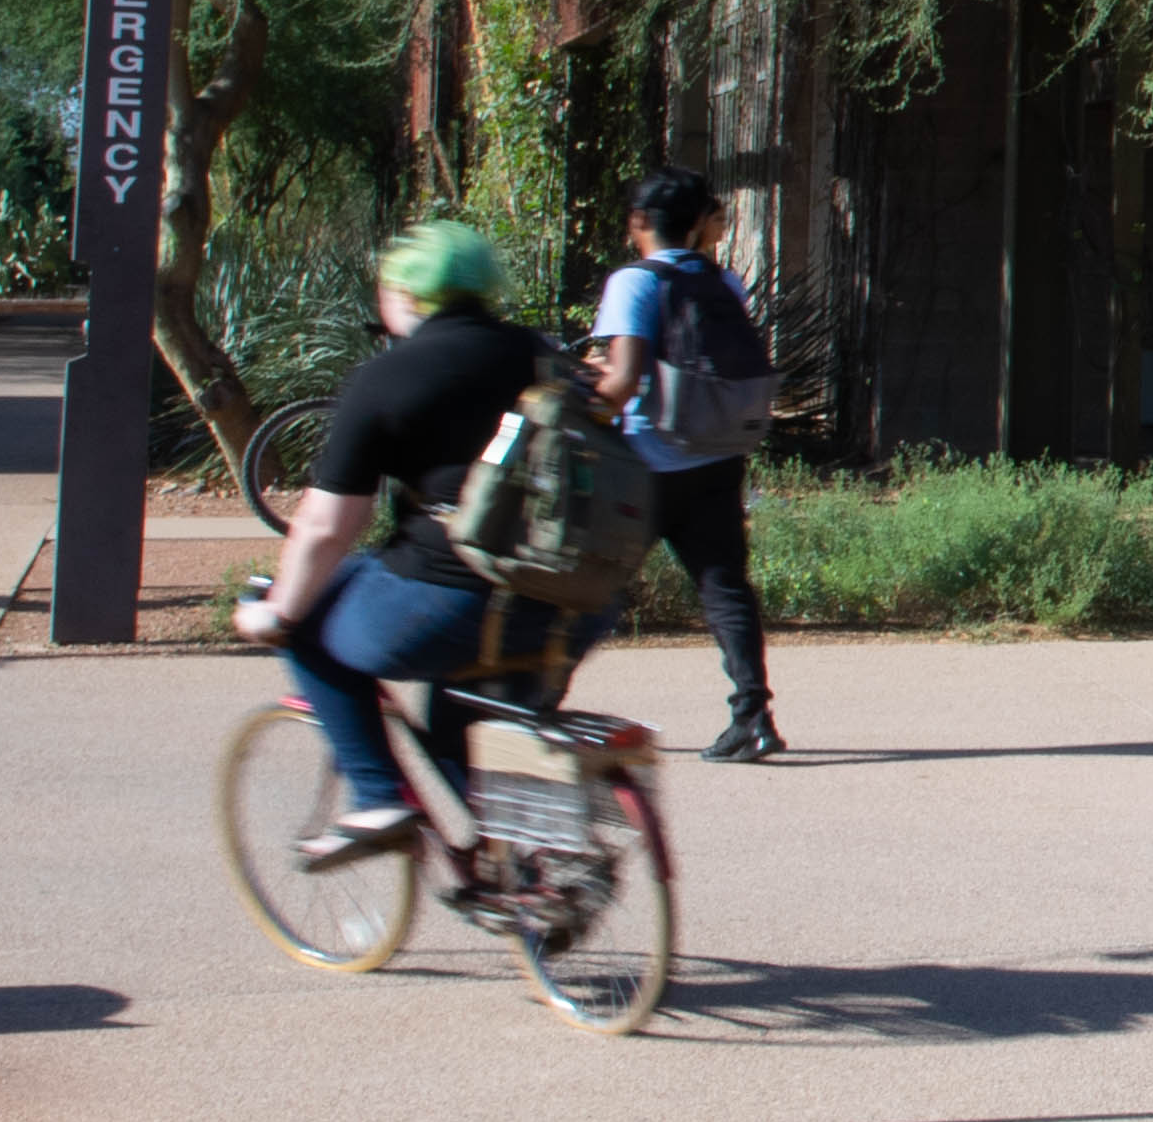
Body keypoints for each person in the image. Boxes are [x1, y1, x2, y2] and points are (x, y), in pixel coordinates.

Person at [229, 217, 554, 864]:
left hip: (451, 600)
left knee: (311, 624)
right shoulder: (542, 355)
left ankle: (378, 796)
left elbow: (326, 528)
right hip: (568, 602)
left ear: (404, 293)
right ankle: (520, 877)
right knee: (456, 714)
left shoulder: (385, 378)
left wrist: (279, 610)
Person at [584, 172, 784, 763]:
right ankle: (754, 717)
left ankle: (535, 706)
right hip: (719, 457)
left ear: (637, 223)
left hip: (645, 466)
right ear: (699, 225)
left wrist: (577, 399)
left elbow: (621, 383)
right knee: (726, 589)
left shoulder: (634, 282)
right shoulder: (723, 282)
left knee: (587, 581)